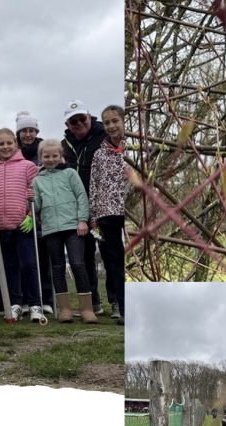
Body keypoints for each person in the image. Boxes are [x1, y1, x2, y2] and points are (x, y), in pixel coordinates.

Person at [31, 139, 95, 324]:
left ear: (61, 156)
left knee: (77, 263)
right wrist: (31, 199)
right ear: (40, 157)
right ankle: (65, 308)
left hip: (72, 226)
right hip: (51, 228)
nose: (50, 159)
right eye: (46, 156)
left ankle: (86, 309)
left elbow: (81, 196)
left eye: (54, 156)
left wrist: (82, 219)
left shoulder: (70, 173)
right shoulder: (37, 180)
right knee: (57, 267)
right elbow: (37, 207)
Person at [0, 129, 41, 322]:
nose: (5, 147)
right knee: (9, 267)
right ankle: (15, 304)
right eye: (1, 144)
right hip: (1, 229)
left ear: (15, 144)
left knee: (29, 264)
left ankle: (35, 305)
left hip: (23, 226)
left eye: (9, 143)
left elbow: (37, 194)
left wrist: (31, 215)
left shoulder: (28, 166)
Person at [61, 100, 108, 314]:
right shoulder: (64, 146)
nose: (79, 123)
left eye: (82, 119)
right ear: (68, 124)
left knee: (108, 252)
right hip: (79, 211)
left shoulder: (103, 137)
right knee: (86, 255)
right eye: (73, 121)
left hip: (103, 207)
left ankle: (116, 301)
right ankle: (94, 302)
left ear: (90, 117)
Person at [90, 104, 127, 324]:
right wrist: (93, 219)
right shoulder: (99, 154)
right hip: (106, 214)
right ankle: (123, 308)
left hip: (129, 211)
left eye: (115, 121)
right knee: (114, 261)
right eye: (107, 122)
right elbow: (94, 186)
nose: (112, 126)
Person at [16, 111, 53, 312]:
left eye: (31, 130)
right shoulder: (15, 152)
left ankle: (46, 299)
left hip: (42, 210)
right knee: (25, 260)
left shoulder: (43, 150)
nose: (28, 135)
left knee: (43, 258)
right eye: (24, 131)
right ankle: (25, 299)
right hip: (23, 211)